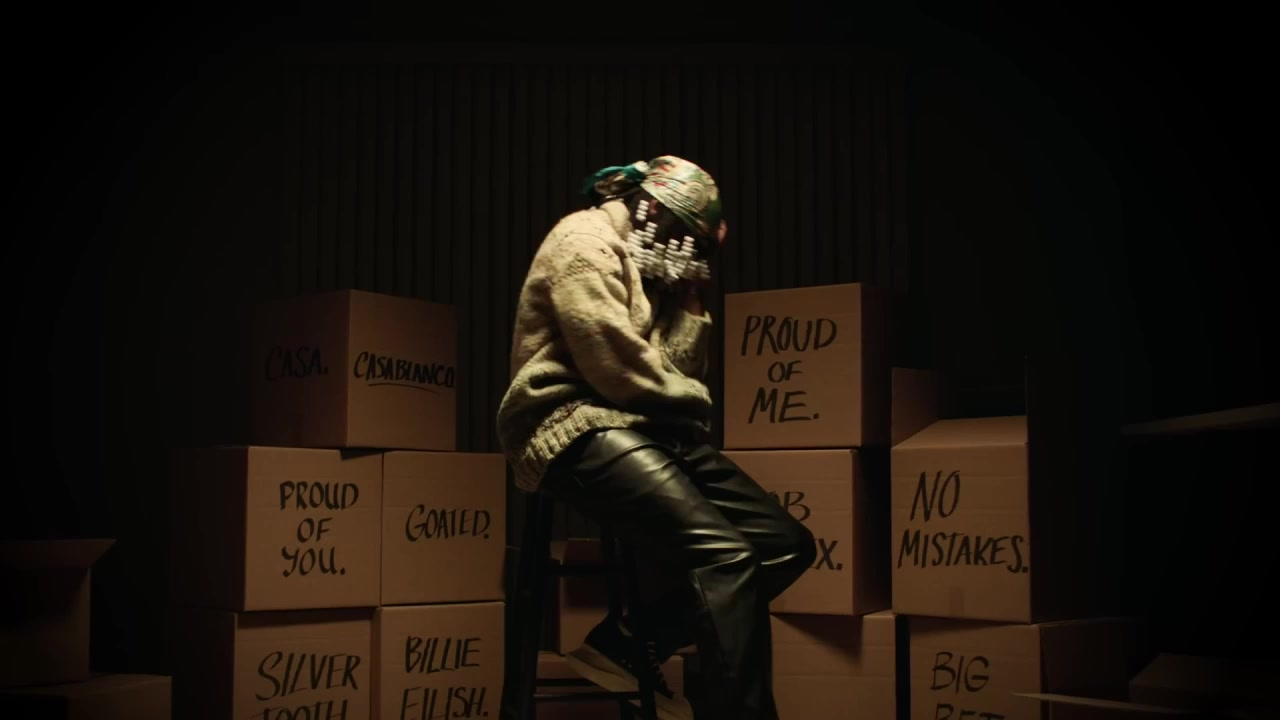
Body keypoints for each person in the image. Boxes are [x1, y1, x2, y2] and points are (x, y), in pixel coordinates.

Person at [497, 156, 815, 720]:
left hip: (645, 425)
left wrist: (691, 300)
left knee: (785, 544)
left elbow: (677, 368)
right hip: (567, 421)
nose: (687, 254)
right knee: (726, 556)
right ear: (652, 212)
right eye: (688, 240)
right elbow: (618, 368)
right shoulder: (584, 242)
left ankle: (627, 643)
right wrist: (691, 400)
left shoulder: (658, 266)